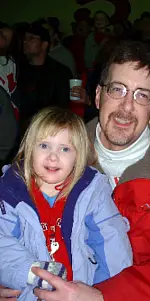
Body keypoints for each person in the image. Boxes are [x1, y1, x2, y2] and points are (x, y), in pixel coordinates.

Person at [22, 40, 150, 301]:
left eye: (142, 95)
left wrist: (101, 297)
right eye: (117, 90)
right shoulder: (46, 158)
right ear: (97, 95)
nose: (126, 107)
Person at [0, 107, 132, 300]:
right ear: (29, 148)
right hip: (30, 292)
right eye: (44, 145)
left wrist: (106, 292)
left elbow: (112, 242)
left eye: (65, 148)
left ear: (78, 155)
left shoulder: (91, 191)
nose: (53, 156)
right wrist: (32, 272)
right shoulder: (11, 191)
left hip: (79, 291)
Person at [18, 24, 72, 127]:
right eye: (24, 39)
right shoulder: (18, 69)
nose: (25, 42)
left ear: (44, 45)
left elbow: (62, 106)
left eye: (31, 39)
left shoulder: (60, 72)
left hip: (50, 126)